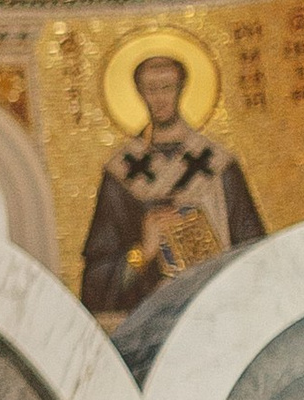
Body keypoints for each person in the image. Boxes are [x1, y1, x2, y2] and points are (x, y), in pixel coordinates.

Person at [80, 46, 264, 314]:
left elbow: (254, 252)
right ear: (140, 93)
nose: (160, 98)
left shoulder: (220, 165)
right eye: (151, 89)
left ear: (181, 88)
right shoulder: (121, 175)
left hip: (219, 311)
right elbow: (95, 284)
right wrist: (143, 251)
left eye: (167, 87)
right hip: (151, 320)